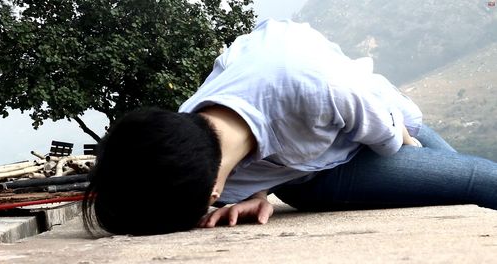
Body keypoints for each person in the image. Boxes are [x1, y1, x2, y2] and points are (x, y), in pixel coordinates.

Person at [82, 19, 497, 235]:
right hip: (311, 177)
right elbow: (238, 147)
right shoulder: (188, 138)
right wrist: (257, 191)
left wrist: (421, 157)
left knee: (475, 179)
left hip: (371, 126)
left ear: (209, 193)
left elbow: (389, 134)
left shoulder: (312, 86)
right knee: (473, 182)